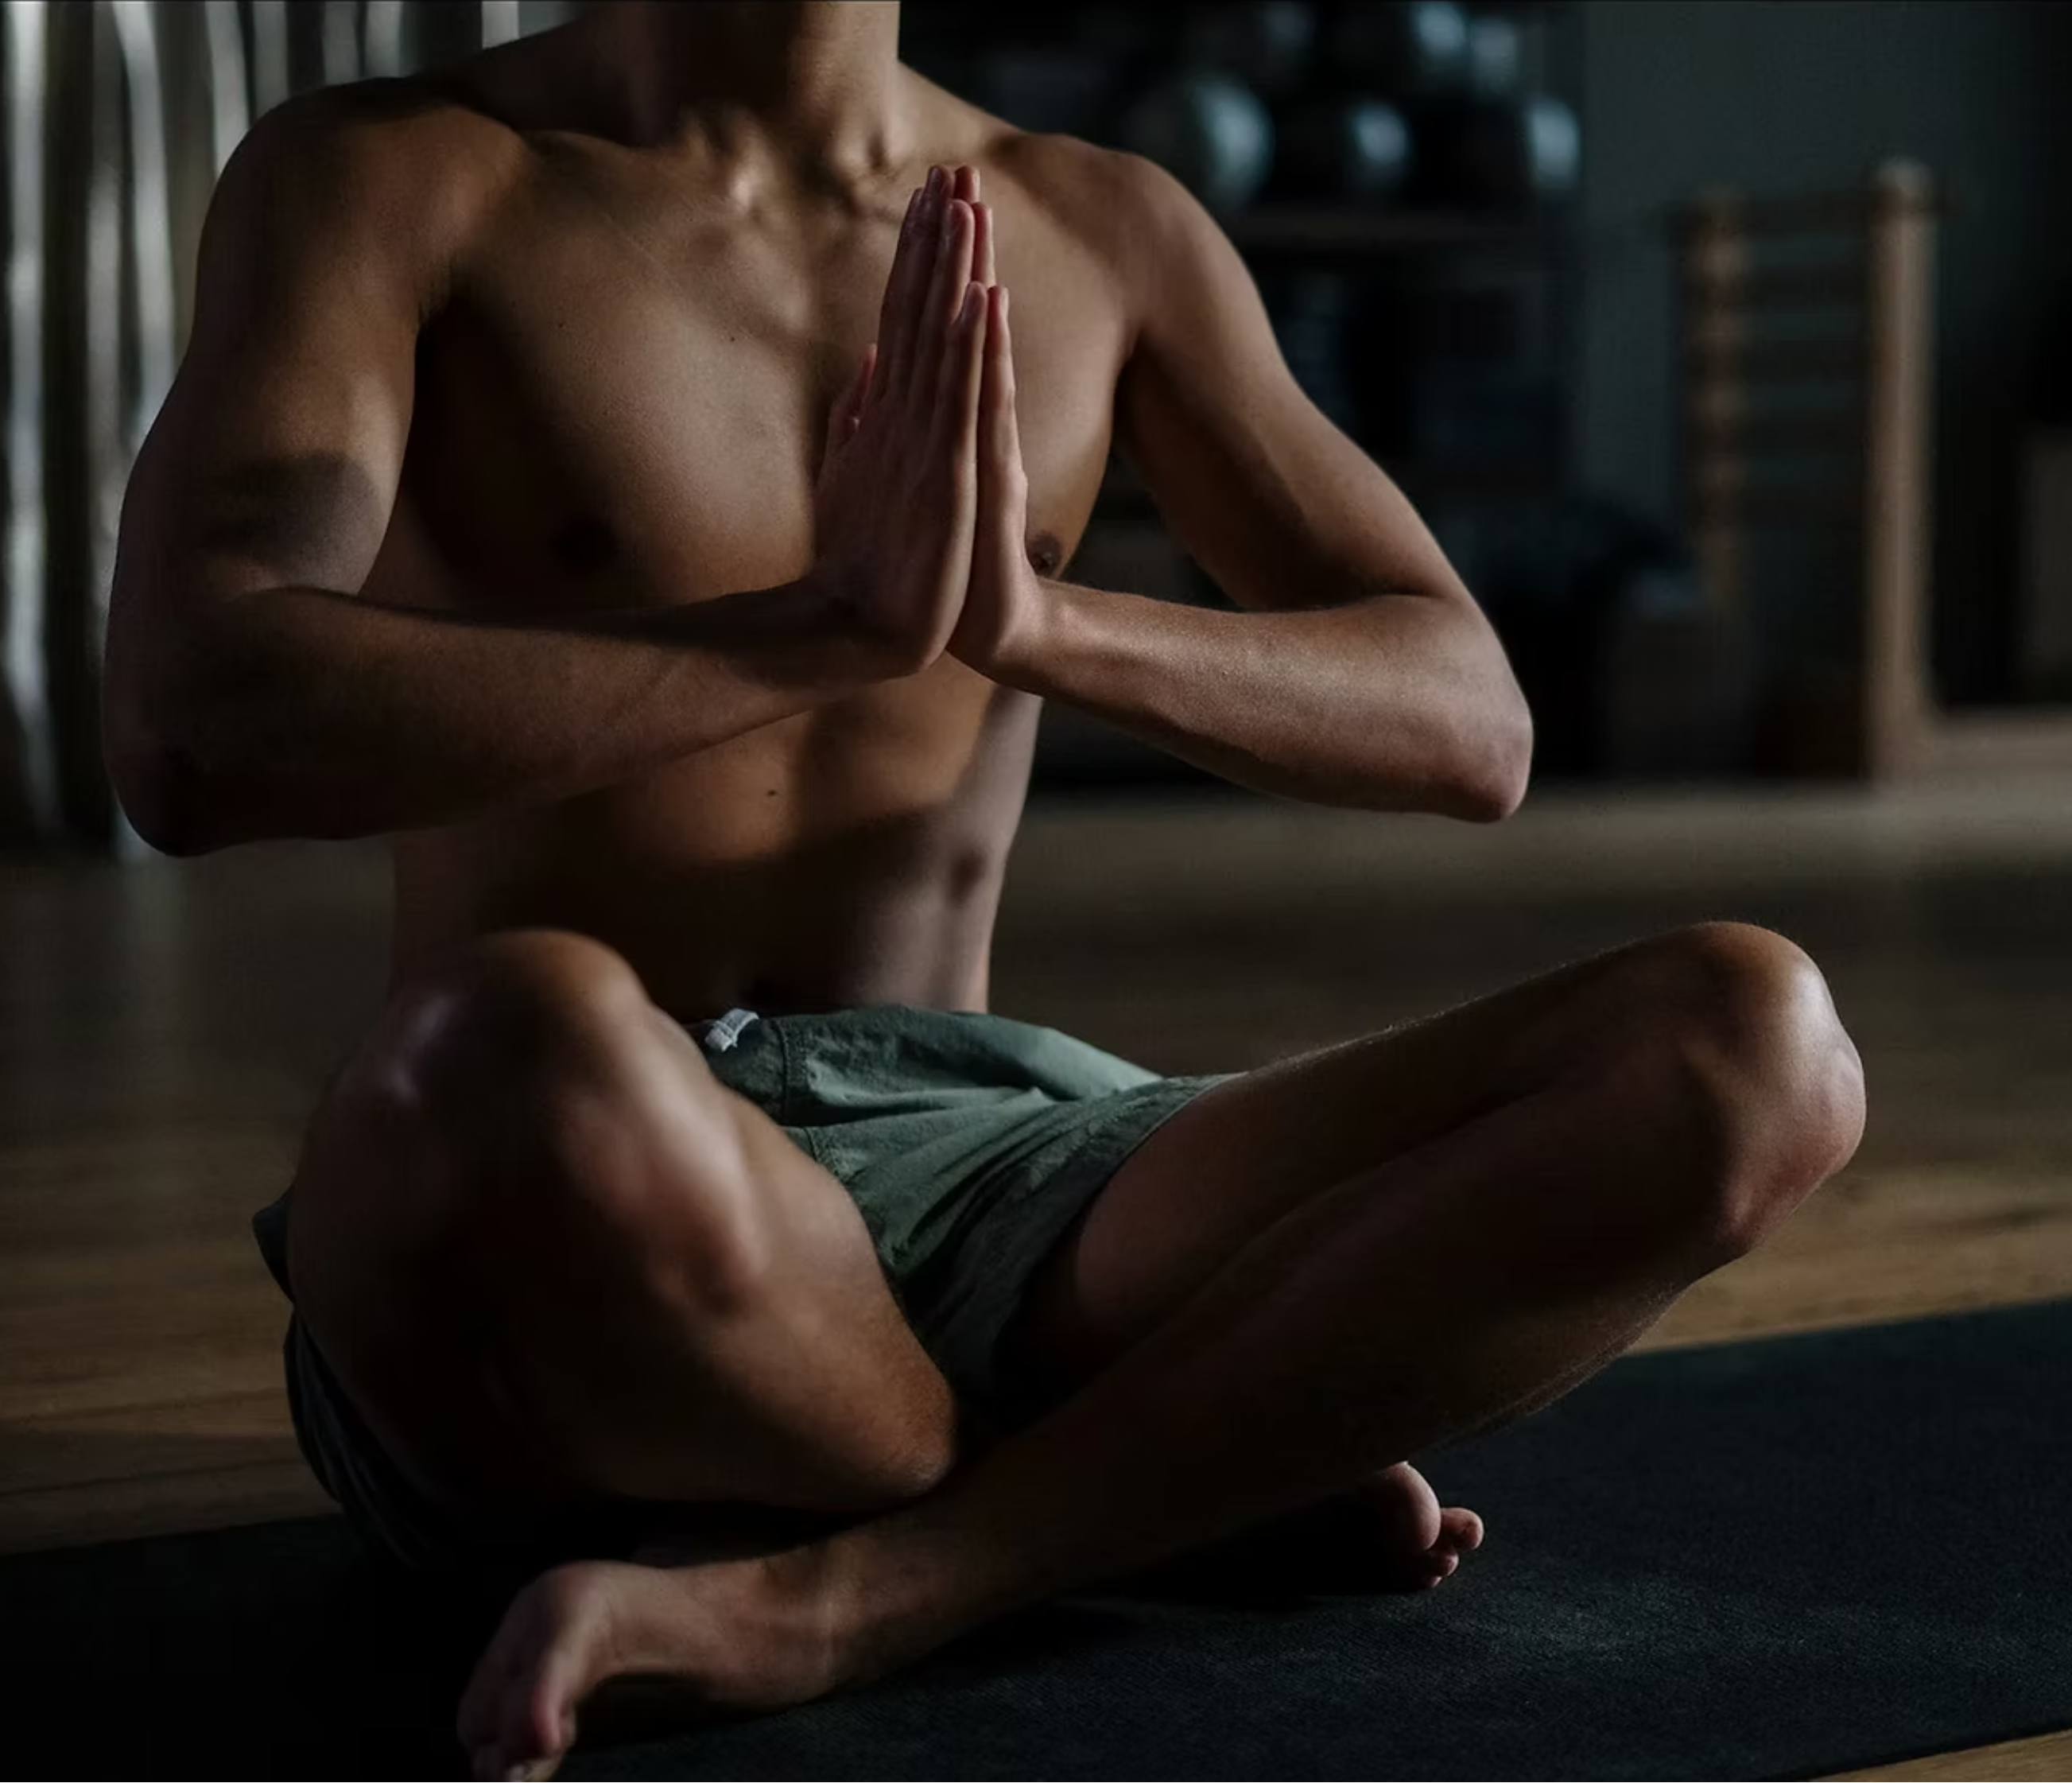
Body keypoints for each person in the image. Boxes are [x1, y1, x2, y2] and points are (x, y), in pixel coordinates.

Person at [103, 4, 1865, 1777]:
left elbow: (1467, 717)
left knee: (1747, 1042)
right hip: (554, 1207)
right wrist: (812, 636)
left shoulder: (1099, 222)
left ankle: (878, 1581)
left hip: (996, 1158)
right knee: (512, 1041)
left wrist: (1040, 623)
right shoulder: (391, 176)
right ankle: (1174, 1476)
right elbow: (187, 729)